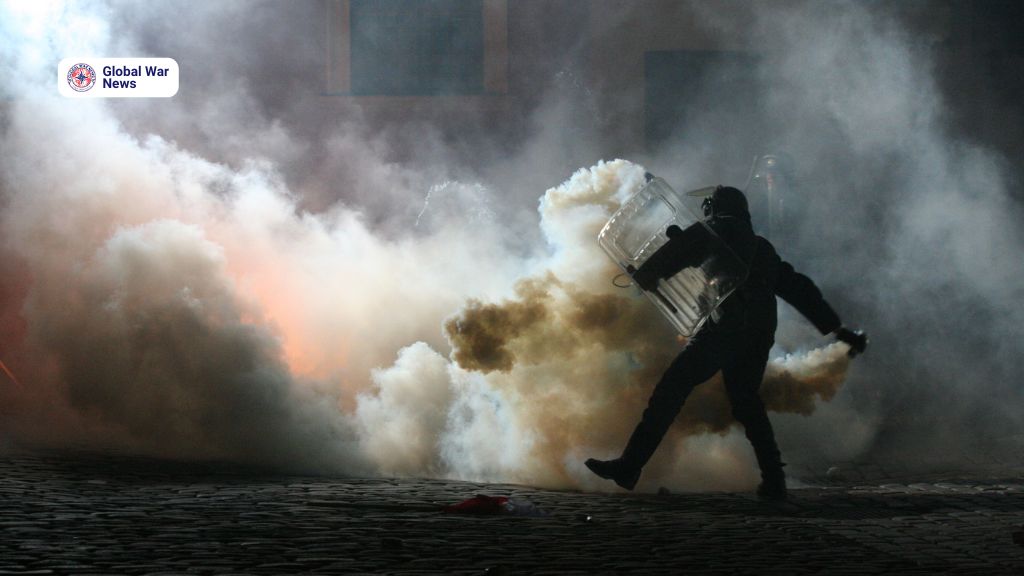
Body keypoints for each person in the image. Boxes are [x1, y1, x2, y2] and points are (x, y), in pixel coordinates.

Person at [586, 185, 866, 500]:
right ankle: (774, 480)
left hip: (725, 326)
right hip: (759, 332)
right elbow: (798, 288)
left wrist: (645, 274)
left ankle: (630, 466)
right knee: (747, 402)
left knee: (672, 388)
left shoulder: (714, 230)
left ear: (715, 207)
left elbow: (675, 255)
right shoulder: (762, 248)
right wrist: (837, 329)